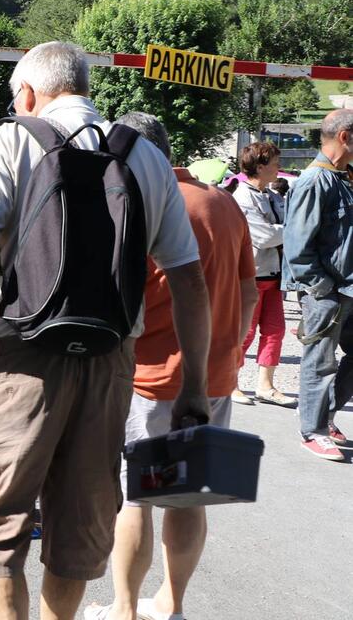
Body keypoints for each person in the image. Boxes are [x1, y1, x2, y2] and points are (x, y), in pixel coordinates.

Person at [0, 42, 211, 620]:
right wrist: (194, 386)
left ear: (30, 94)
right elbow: (189, 280)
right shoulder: (144, 157)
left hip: (21, 357)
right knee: (83, 520)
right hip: (111, 360)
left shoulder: (11, 140)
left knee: (0, 515)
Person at [85, 112, 258, 620]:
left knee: (136, 494)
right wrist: (230, 351)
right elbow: (249, 290)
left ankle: (124, 609)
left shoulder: (137, 205)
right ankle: (172, 604)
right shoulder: (224, 203)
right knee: (187, 495)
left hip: (150, 375)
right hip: (215, 374)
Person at [282, 108, 353, 461]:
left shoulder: (343, 177)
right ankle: (313, 431)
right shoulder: (314, 181)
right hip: (328, 293)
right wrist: (322, 288)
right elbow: (297, 249)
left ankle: (324, 417)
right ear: (344, 137)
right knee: (320, 362)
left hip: (348, 290)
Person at [230, 141, 294, 408]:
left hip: (275, 275)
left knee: (275, 332)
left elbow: (280, 229)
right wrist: (294, 230)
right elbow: (265, 236)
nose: (279, 167)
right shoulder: (243, 198)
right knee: (243, 333)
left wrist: (287, 229)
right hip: (251, 276)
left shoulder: (273, 196)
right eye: (275, 162)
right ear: (260, 166)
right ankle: (229, 382)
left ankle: (265, 386)